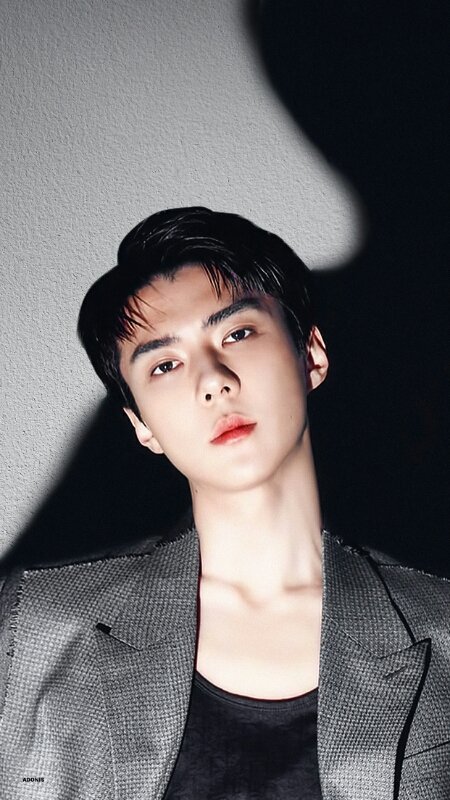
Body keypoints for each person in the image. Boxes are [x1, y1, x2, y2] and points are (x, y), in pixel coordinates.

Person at [0, 207, 449, 799]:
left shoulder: (440, 628)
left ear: (311, 355)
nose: (213, 380)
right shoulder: (36, 625)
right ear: (142, 426)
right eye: (165, 364)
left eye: (237, 334)